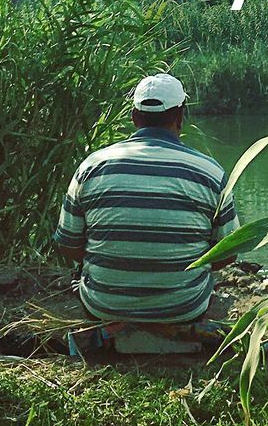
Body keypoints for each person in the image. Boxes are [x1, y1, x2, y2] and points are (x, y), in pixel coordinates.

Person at [53, 74, 239, 328]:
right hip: (183, 309)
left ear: (134, 117)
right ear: (180, 117)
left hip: (104, 307)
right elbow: (227, 253)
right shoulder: (210, 172)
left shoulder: (92, 167)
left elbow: (67, 243)